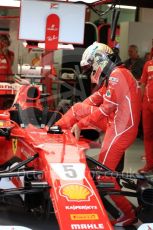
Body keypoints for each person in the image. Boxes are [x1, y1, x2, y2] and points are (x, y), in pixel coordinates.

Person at [55, 42, 141, 227]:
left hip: (121, 130)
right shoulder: (117, 75)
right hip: (116, 123)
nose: (92, 69)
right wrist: (76, 114)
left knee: (104, 176)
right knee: (79, 108)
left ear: (100, 59)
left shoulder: (118, 75)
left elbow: (105, 109)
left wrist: (80, 123)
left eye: (93, 64)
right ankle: (55, 131)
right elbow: (94, 100)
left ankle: (129, 213)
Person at [138, 55, 153, 173]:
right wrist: (140, 103)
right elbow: (143, 83)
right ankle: (149, 163)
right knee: (147, 135)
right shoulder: (148, 64)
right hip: (147, 104)